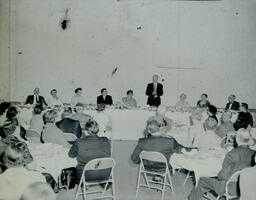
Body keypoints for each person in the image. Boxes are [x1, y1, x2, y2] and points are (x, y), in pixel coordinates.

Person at [188, 129, 255, 200]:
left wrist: (217, 175)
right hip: (247, 186)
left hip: (230, 187)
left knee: (202, 180)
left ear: (237, 139)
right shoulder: (254, 153)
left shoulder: (231, 154)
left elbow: (222, 176)